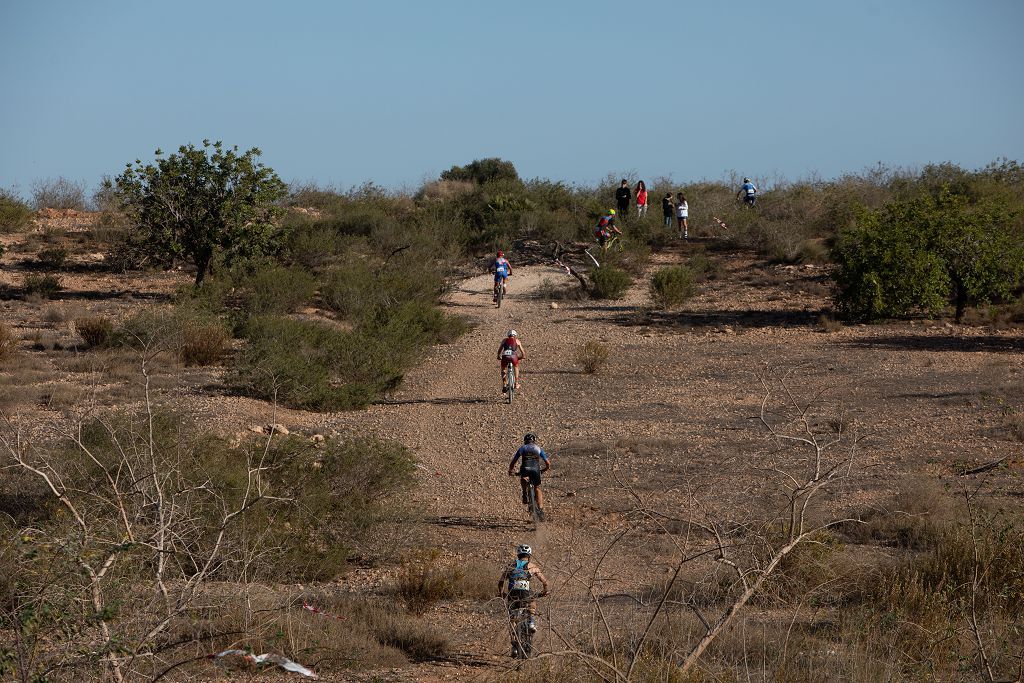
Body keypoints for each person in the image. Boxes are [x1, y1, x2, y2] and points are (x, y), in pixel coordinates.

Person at [498, 544, 549, 654]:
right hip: (525, 594)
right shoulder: (532, 566)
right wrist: (544, 591)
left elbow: (501, 581)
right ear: (529, 555)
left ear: (518, 554)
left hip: (512, 594)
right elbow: (544, 582)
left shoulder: (511, 565)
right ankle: (531, 622)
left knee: (512, 618)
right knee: (532, 601)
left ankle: (514, 646)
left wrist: (502, 594)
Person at [507, 432, 550, 519]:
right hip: (536, 469)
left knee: (523, 477)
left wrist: (510, 471)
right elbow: (548, 463)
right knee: (537, 488)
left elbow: (513, 462)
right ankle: (541, 510)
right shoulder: (538, 448)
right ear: (534, 441)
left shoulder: (522, 448)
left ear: (525, 441)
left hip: (525, 468)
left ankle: (524, 493)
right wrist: (545, 469)